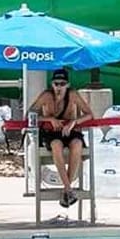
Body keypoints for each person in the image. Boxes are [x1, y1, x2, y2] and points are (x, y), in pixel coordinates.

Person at [29, 68, 95, 208]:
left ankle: (67, 189)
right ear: (52, 84)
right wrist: (49, 119)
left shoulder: (73, 95)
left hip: (70, 131)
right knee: (56, 145)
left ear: (67, 85)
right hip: (52, 132)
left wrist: (74, 122)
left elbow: (89, 114)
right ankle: (68, 189)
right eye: (56, 84)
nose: (59, 87)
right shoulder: (46, 96)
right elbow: (30, 115)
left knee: (77, 144)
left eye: (62, 84)